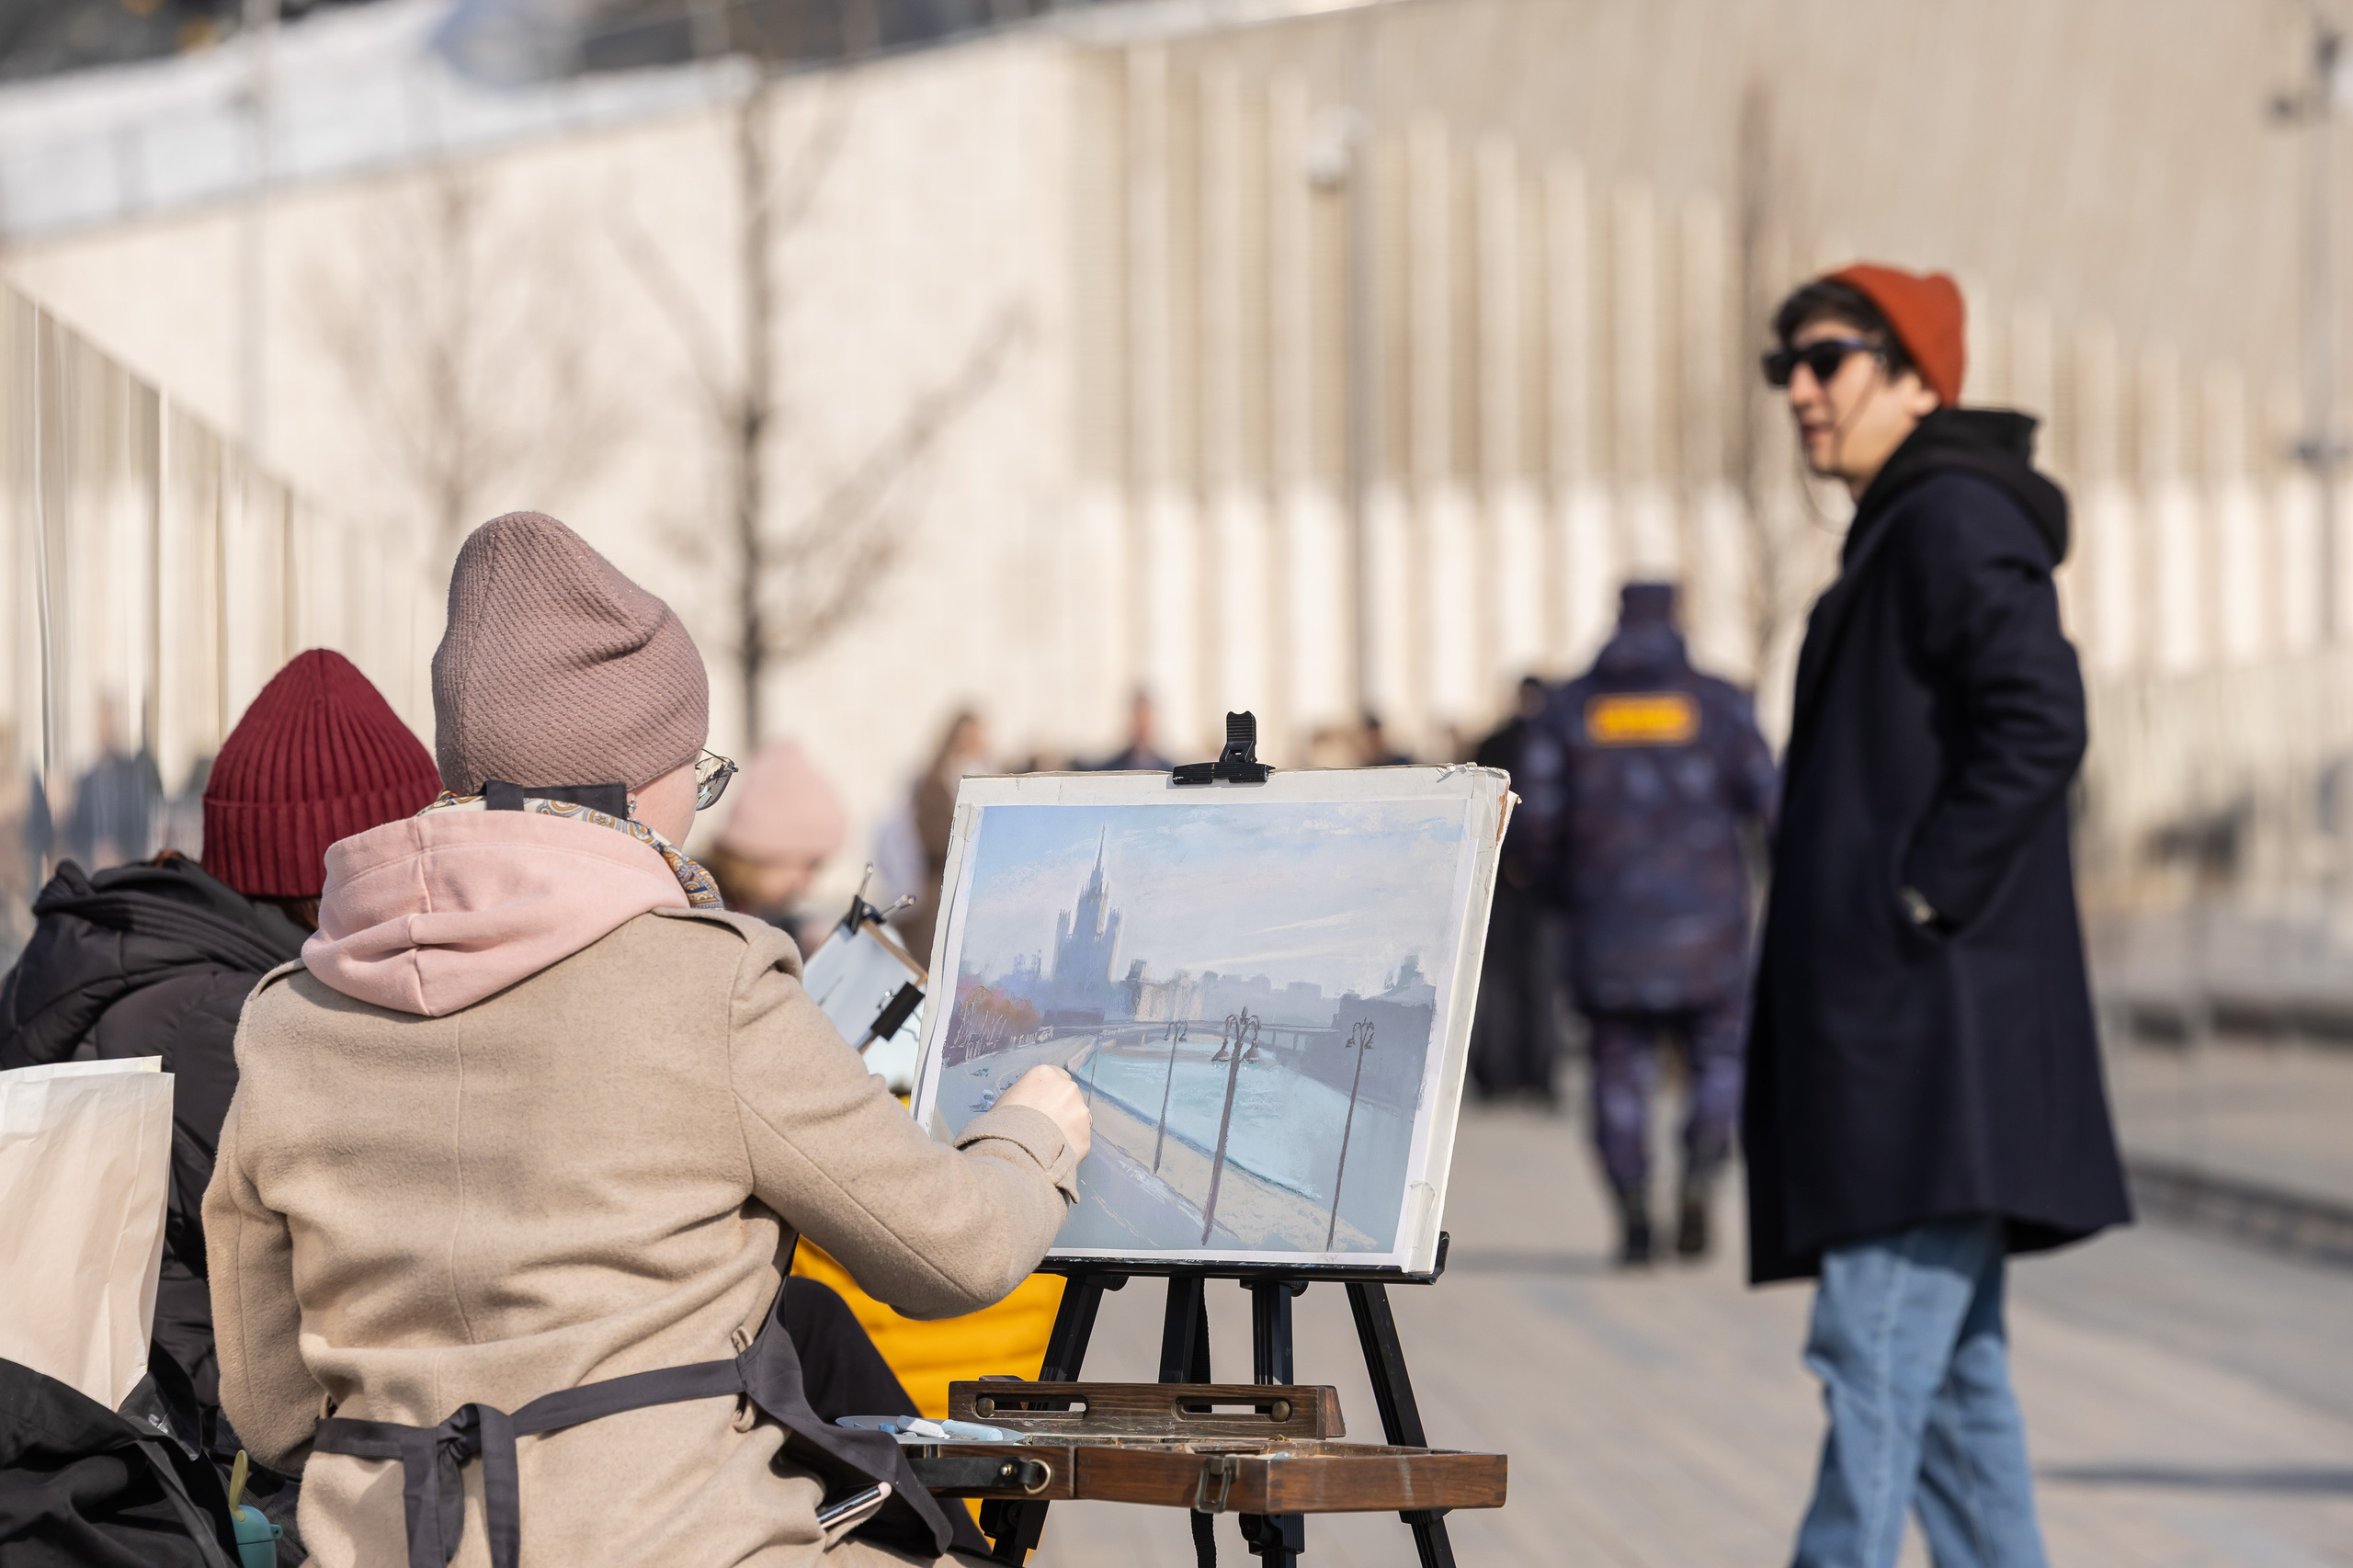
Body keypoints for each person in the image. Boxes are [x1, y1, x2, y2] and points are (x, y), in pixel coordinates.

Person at [203, 511, 1091, 1568]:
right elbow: (955, 1251)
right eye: (695, 772)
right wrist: (1031, 1132)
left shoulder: (288, 1015)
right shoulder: (704, 979)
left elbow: (267, 1406)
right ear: (637, 786)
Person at [1746, 267, 2130, 1567]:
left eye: (1832, 358)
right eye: (1784, 365)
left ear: (1920, 376)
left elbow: (2041, 718)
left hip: (1930, 1039)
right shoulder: (1904, 525)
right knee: (1953, 1389)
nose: (1801, 387)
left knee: (1873, 1343)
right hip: (1911, 1035)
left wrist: (1917, 892)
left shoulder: (1949, 515)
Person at [0, 647, 444, 1544]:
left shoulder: (160, 963)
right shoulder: (220, 1023)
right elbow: (391, 1260)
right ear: (352, 872)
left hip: (126, 1460)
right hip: (190, 1478)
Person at [1534, 585, 1777, 1263]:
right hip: (1711, 933)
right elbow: (1772, 801)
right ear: (1677, 621)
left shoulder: (1571, 709)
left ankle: (1633, 1204)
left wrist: (1560, 892)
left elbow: (1534, 825)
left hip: (1606, 929)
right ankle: (1702, 1161)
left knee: (1616, 1067)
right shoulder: (1720, 705)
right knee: (1720, 1057)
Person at [1467, 676, 1564, 1104]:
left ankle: (1502, 1075)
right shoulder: (1560, 742)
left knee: (1505, 983)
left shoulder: (1495, 744)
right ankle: (1531, 1076)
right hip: (1538, 886)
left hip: (1505, 880)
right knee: (1534, 984)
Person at [708, 738, 850, 953]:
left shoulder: (770, 916)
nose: (806, 884)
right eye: (808, 864)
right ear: (765, 851)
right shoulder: (698, 909)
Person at [1089, 687, 1172, 771]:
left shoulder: (1169, 772)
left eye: (1146, 718)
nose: (1142, 726)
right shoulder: (1112, 769)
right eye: (1139, 718)